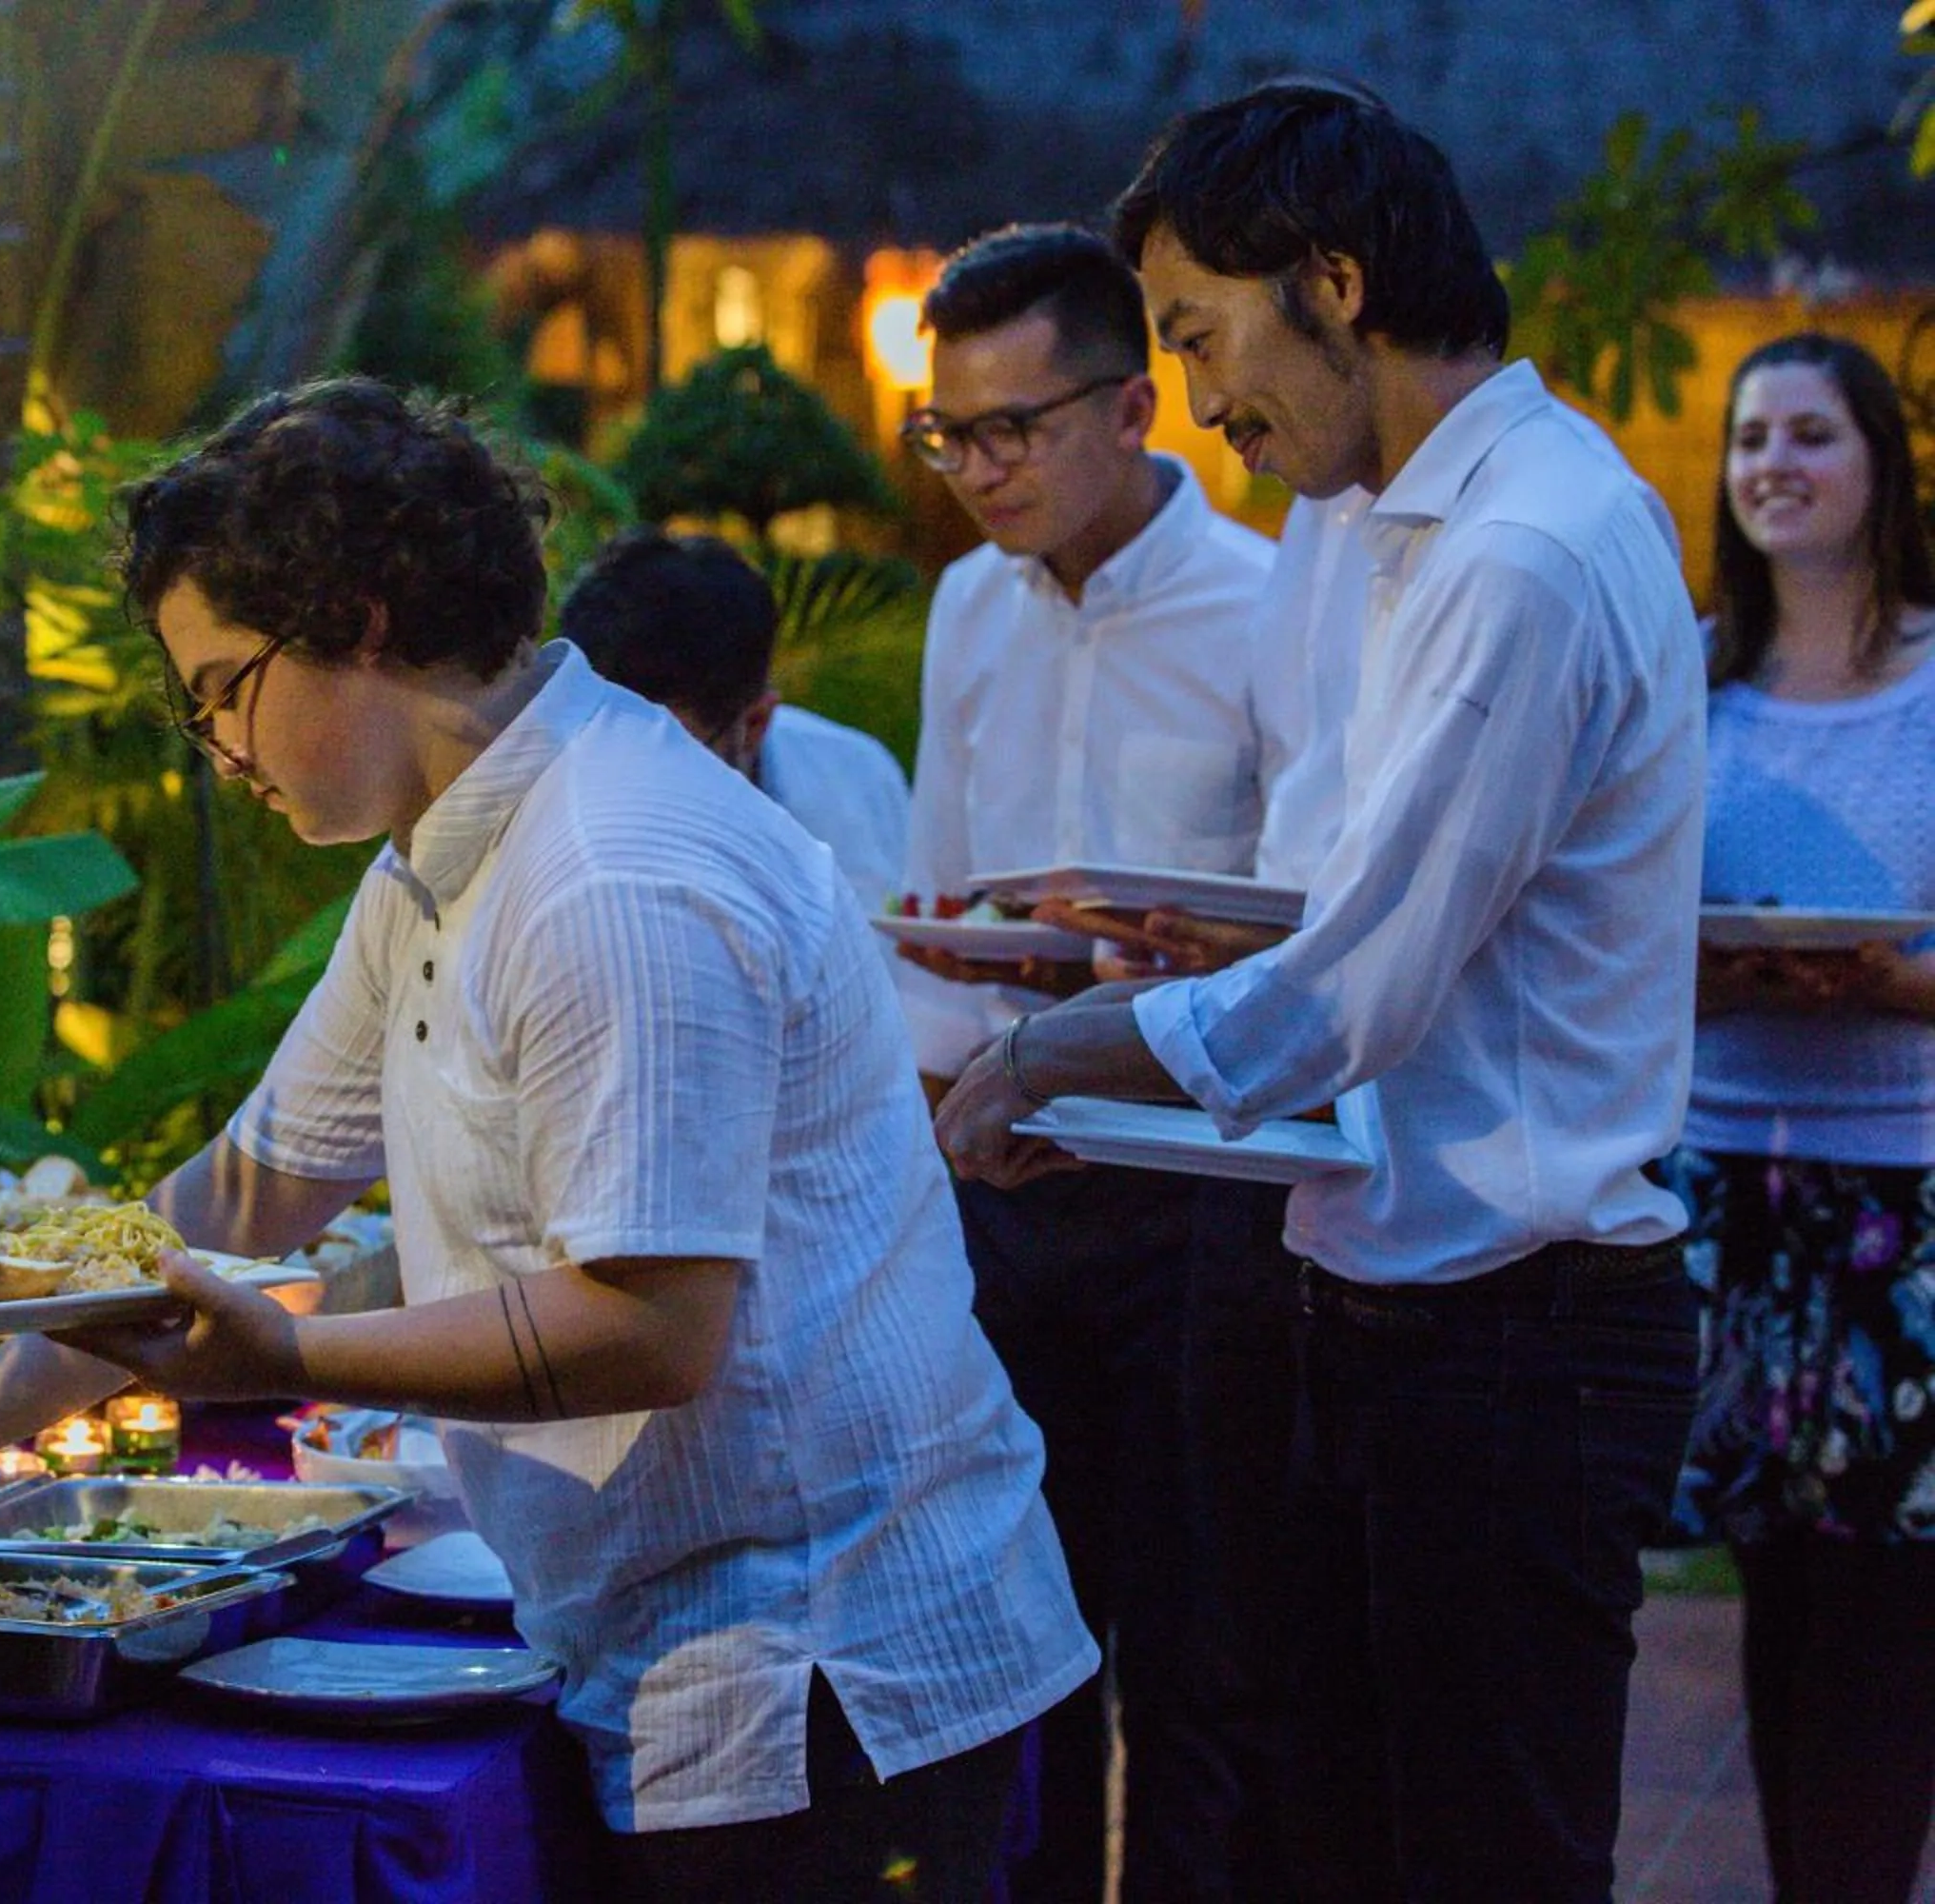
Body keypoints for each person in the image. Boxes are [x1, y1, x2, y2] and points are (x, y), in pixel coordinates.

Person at [0, 378, 1096, 1900]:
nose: (213, 742)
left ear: (363, 615)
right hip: (679, 1635)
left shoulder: (612, 867)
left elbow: (651, 1328)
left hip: (822, 1660)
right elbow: (240, 1194)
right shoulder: (438, 857)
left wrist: (283, 1359)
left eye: (221, 685)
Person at [936, 81, 1707, 1902]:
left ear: (1338, 282)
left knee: (1480, 1858)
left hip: (1517, 1327)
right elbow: (1331, 914)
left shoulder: (1521, 548)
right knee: (1309, 1835)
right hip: (1361, 1283)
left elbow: (1351, 987)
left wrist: (1048, 1052)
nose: (1204, 405)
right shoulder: (1379, 523)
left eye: (1203, 337)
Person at [887, 219, 1270, 1904]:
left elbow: (1321, 936)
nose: (977, 472)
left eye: (1013, 430)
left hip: (1199, 1194)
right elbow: (938, 890)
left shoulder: (1270, 608)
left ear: (1134, 411)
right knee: (1022, 1653)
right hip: (1006, 1188)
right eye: (949, 434)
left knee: (1203, 1659)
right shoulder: (968, 608)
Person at [1672, 331, 1935, 1904]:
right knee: (1771, 1592)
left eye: (1812, 433)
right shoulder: (1692, 685)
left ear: (1879, 465)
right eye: (1752, 434)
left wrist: (1882, 989)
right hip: (1728, 1182)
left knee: (1898, 1602)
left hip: (1908, 1192)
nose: (1773, 461)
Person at [559, 526, 911, 917]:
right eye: (603, 752)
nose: (628, 795)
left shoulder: (857, 781)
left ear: (756, 724)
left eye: (666, 769)